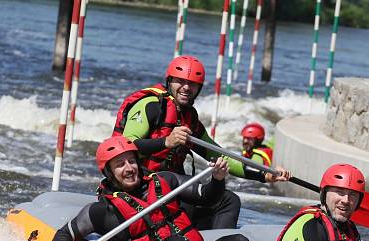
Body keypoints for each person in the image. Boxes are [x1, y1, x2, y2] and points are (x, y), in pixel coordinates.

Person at [52, 136, 269, 241]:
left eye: (131, 161)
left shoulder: (165, 180)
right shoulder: (102, 210)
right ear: (109, 172)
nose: (129, 168)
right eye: (120, 164)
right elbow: (63, 235)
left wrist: (218, 180)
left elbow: (207, 196)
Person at [113, 55, 290, 230]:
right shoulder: (150, 106)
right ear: (169, 81)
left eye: (192, 84)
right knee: (187, 203)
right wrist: (166, 141)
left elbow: (219, 155)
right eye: (180, 81)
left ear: (199, 88)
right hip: (141, 186)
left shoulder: (190, 119)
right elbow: (125, 148)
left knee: (228, 201)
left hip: (173, 186)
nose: (186, 88)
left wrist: (264, 175)